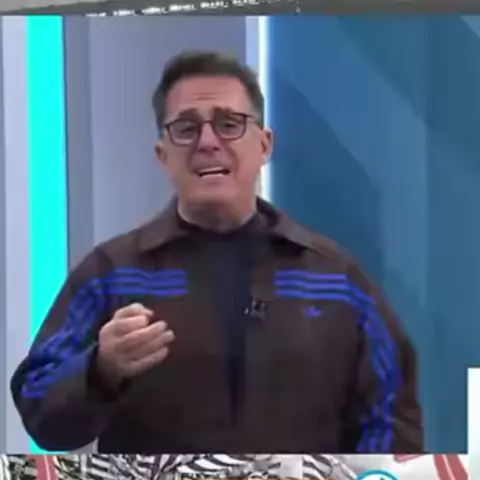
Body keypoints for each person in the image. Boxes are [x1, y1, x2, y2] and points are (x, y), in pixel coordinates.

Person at [10, 51, 424, 453]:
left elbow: (392, 416)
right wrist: (101, 369)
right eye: (186, 128)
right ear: (163, 155)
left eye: (229, 124)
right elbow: (38, 405)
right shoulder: (112, 273)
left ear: (264, 145)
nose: (208, 142)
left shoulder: (334, 276)